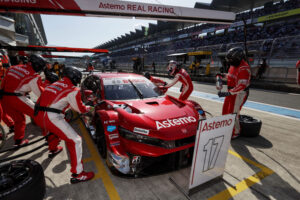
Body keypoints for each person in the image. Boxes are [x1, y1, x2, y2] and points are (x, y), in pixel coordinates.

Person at [33, 66, 94, 184]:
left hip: (37, 115)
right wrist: (90, 107)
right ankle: (78, 174)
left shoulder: (54, 84)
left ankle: (53, 149)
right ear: (75, 78)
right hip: (50, 117)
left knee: (55, 131)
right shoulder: (73, 90)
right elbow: (79, 109)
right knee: (75, 140)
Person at [1, 54, 46, 146]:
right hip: (17, 98)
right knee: (39, 113)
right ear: (37, 65)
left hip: (4, 98)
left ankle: (19, 141)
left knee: (19, 119)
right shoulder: (34, 76)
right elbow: (41, 94)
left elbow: (3, 83)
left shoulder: (12, 68)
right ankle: (49, 135)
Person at [217, 47, 251, 139]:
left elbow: (241, 86)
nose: (229, 62)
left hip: (240, 94)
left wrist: (227, 93)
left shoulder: (244, 68)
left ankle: (235, 132)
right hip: (231, 91)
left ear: (238, 58)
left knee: (233, 113)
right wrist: (222, 76)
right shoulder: (233, 65)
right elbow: (230, 76)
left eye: (231, 60)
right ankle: (226, 128)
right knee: (225, 110)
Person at [0, 54, 15, 134]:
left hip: (3, 92)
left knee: (3, 111)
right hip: (3, 91)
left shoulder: (3, 57)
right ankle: (12, 125)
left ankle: (12, 125)